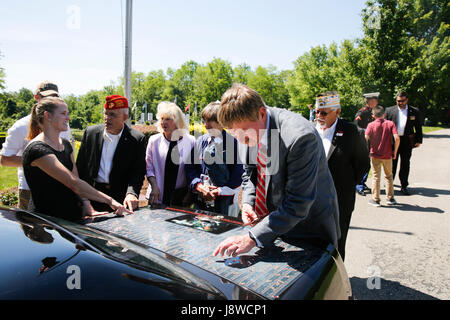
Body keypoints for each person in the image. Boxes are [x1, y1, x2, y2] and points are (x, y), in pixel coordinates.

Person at [213, 84, 340, 258]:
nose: (241, 141)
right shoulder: (247, 128)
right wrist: (248, 202)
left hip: (306, 231)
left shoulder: (300, 137)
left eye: (243, 132)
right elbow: (250, 174)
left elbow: (298, 202)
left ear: (262, 114)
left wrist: (252, 237)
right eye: (234, 135)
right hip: (269, 227)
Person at [22, 97, 132, 222]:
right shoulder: (37, 149)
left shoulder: (65, 144)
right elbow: (74, 183)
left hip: (70, 219)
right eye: (63, 114)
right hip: (46, 223)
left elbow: (76, 178)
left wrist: (86, 205)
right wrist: (111, 201)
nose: (68, 118)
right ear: (48, 116)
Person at [315, 91, 369, 260]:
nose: (318, 116)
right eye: (317, 111)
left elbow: (362, 165)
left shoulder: (353, 132)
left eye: (324, 112)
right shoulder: (308, 130)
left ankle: (336, 279)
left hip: (339, 200)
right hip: (310, 199)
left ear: (337, 112)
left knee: (337, 242)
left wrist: (343, 184)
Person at [0, 81, 72, 210]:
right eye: (47, 97)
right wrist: (38, 161)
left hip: (58, 186)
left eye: (54, 97)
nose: (51, 101)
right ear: (37, 98)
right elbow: (5, 160)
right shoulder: (21, 126)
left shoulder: (64, 125)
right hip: (30, 189)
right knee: (31, 229)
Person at [76, 95, 146, 213]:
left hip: (121, 200)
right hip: (92, 197)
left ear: (125, 117)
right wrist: (83, 199)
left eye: (112, 115)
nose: (107, 118)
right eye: (105, 113)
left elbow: (138, 172)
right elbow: (80, 168)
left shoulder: (136, 139)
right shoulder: (91, 133)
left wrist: (131, 193)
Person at [185, 101, 244, 216]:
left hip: (226, 206)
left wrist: (218, 191)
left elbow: (239, 176)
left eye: (209, 121)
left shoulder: (234, 145)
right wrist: (199, 186)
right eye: (204, 121)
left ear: (221, 121)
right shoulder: (200, 141)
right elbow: (190, 168)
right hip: (201, 203)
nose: (205, 125)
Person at [145, 101, 195, 206]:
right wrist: (154, 186)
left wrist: (190, 194)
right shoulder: (154, 140)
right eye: (162, 119)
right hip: (157, 197)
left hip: (181, 199)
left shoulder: (191, 141)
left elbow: (194, 170)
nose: (163, 122)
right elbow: (149, 168)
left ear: (177, 121)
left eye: (168, 119)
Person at [385, 92, 423, 195]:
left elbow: (418, 126)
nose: (400, 103)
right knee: (392, 163)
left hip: (407, 141)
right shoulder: (389, 110)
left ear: (407, 100)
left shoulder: (414, 111)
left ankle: (404, 185)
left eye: (402, 101)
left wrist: (419, 140)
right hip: (393, 141)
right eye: (398, 101)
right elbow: (385, 126)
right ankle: (390, 184)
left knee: (405, 163)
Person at [365, 105, 400, 207]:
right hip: (388, 154)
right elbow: (397, 138)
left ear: (373, 115)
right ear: (384, 114)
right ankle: (390, 198)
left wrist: (366, 151)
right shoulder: (390, 123)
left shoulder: (371, 125)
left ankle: (376, 199)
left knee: (376, 177)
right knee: (389, 176)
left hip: (375, 154)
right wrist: (395, 151)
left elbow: (365, 138)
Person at [354, 92, 380, 196]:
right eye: (374, 100)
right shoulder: (362, 112)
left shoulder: (376, 112)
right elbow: (356, 127)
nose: (376, 102)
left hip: (372, 142)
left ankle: (362, 182)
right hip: (362, 142)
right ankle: (358, 184)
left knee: (368, 164)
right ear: (369, 101)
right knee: (362, 163)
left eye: (376, 100)